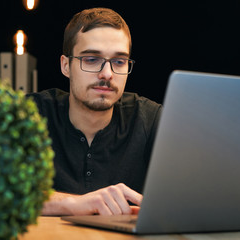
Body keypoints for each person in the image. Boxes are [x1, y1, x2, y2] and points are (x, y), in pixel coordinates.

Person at [27, 8, 162, 216]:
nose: (107, 74)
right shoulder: (31, 115)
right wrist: (72, 204)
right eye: (91, 59)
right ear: (65, 65)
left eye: (119, 61)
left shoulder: (150, 119)